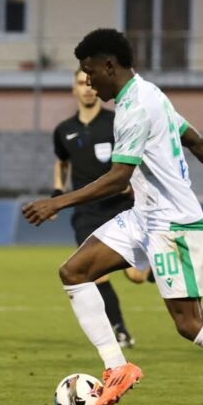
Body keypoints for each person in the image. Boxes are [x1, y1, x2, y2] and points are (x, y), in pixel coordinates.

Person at [23, 28, 203, 405]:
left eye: (90, 70)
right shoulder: (147, 94)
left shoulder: (136, 107)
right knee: (74, 272)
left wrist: (57, 201)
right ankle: (116, 367)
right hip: (144, 215)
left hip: (173, 223)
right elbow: (195, 140)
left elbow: (118, 178)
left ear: (109, 66)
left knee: (190, 324)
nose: (87, 80)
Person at [53, 69, 137, 348]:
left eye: (91, 83)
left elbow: (136, 156)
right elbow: (62, 162)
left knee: (136, 276)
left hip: (121, 207)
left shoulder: (116, 122)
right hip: (86, 212)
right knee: (95, 272)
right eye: (81, 83)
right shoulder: (63, 130)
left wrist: (132, 183)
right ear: (73, 89)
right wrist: (57, 193)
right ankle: (120, 330)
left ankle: (152, 268)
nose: (87, 88)